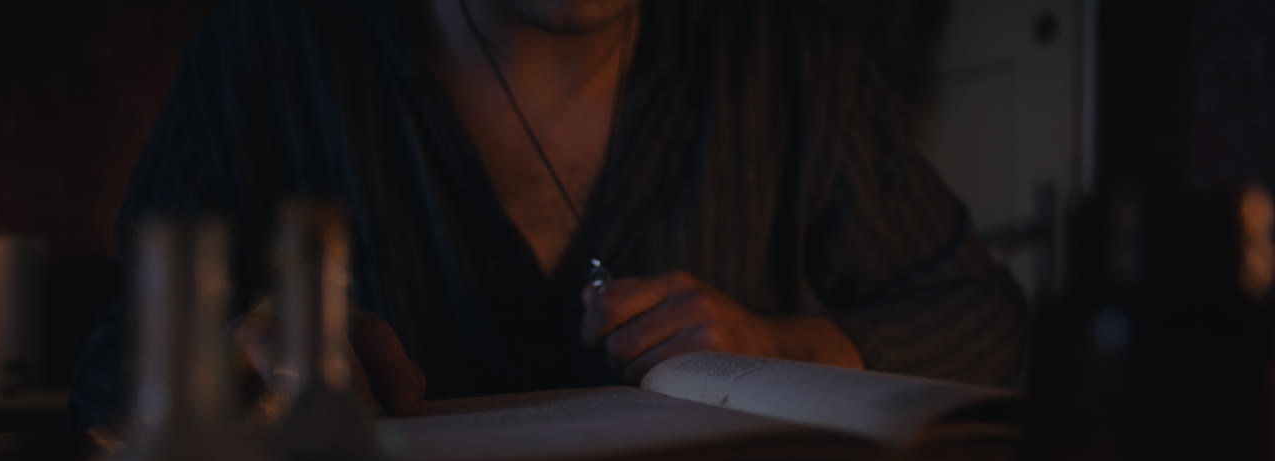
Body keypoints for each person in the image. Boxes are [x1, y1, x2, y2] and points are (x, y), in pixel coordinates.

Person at [70, 0, 1029, 430]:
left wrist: (785, 343)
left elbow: (989, 323)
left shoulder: (780, 60)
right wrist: (228, 365)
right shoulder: (267, 55)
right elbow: (108, 365)